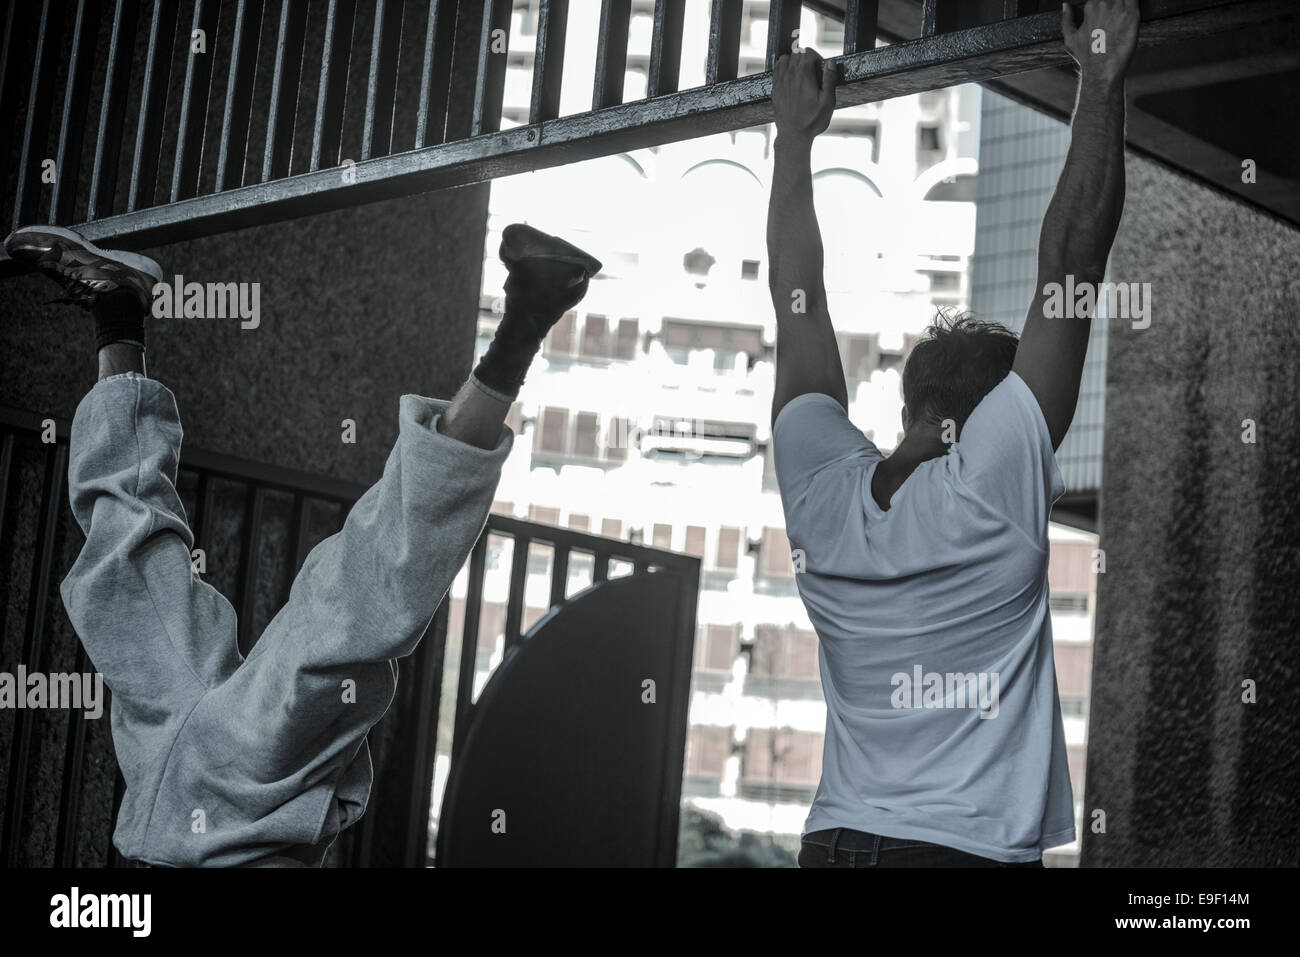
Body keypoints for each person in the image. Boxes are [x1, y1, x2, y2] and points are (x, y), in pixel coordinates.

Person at [2, 221, 600, 867]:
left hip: (163, 783)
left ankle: (117, 302)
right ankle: (529, 320)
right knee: (355, 607)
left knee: (119, 567)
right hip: (254, 796)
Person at [765, 0, 1137, 867]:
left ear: (914, 412)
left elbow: (798, 300)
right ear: (974, 425)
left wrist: (794, 139)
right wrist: (1101, 74)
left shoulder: (820, 497)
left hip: (836, 842)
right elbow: (1071, 266)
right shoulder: (988, 488)